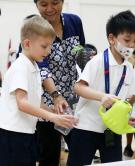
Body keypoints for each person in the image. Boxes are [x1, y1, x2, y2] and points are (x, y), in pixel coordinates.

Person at [0, 15, 78, 166]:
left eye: (50, 46)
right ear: (27, 43)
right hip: (12, 135)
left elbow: (36, 102)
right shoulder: (21, 67)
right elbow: (22, 103)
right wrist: (52, 117)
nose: (49, 51)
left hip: (27, 133)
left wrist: (54, 112)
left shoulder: (34, 66)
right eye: (44, 46)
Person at [67, 10, 135, 165]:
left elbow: (125, 99)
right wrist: (102, 97)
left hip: (112, 129)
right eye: (127, 40)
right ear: (112, 38)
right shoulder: (98, 61)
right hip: (86, 127)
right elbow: (79, 88)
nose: (132, 45)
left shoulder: (129, 67)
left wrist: (126, 117)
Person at [32, 0, 85, 165]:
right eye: (43, 4)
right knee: (50, 156)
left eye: (55, 3)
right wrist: (55, 96)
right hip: (48, 106)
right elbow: (41, 68)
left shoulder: (74, 22)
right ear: (36, 4)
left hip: (74, 102)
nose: (49, 9)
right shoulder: (33, 29)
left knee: (79, 152)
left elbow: (80, 51)